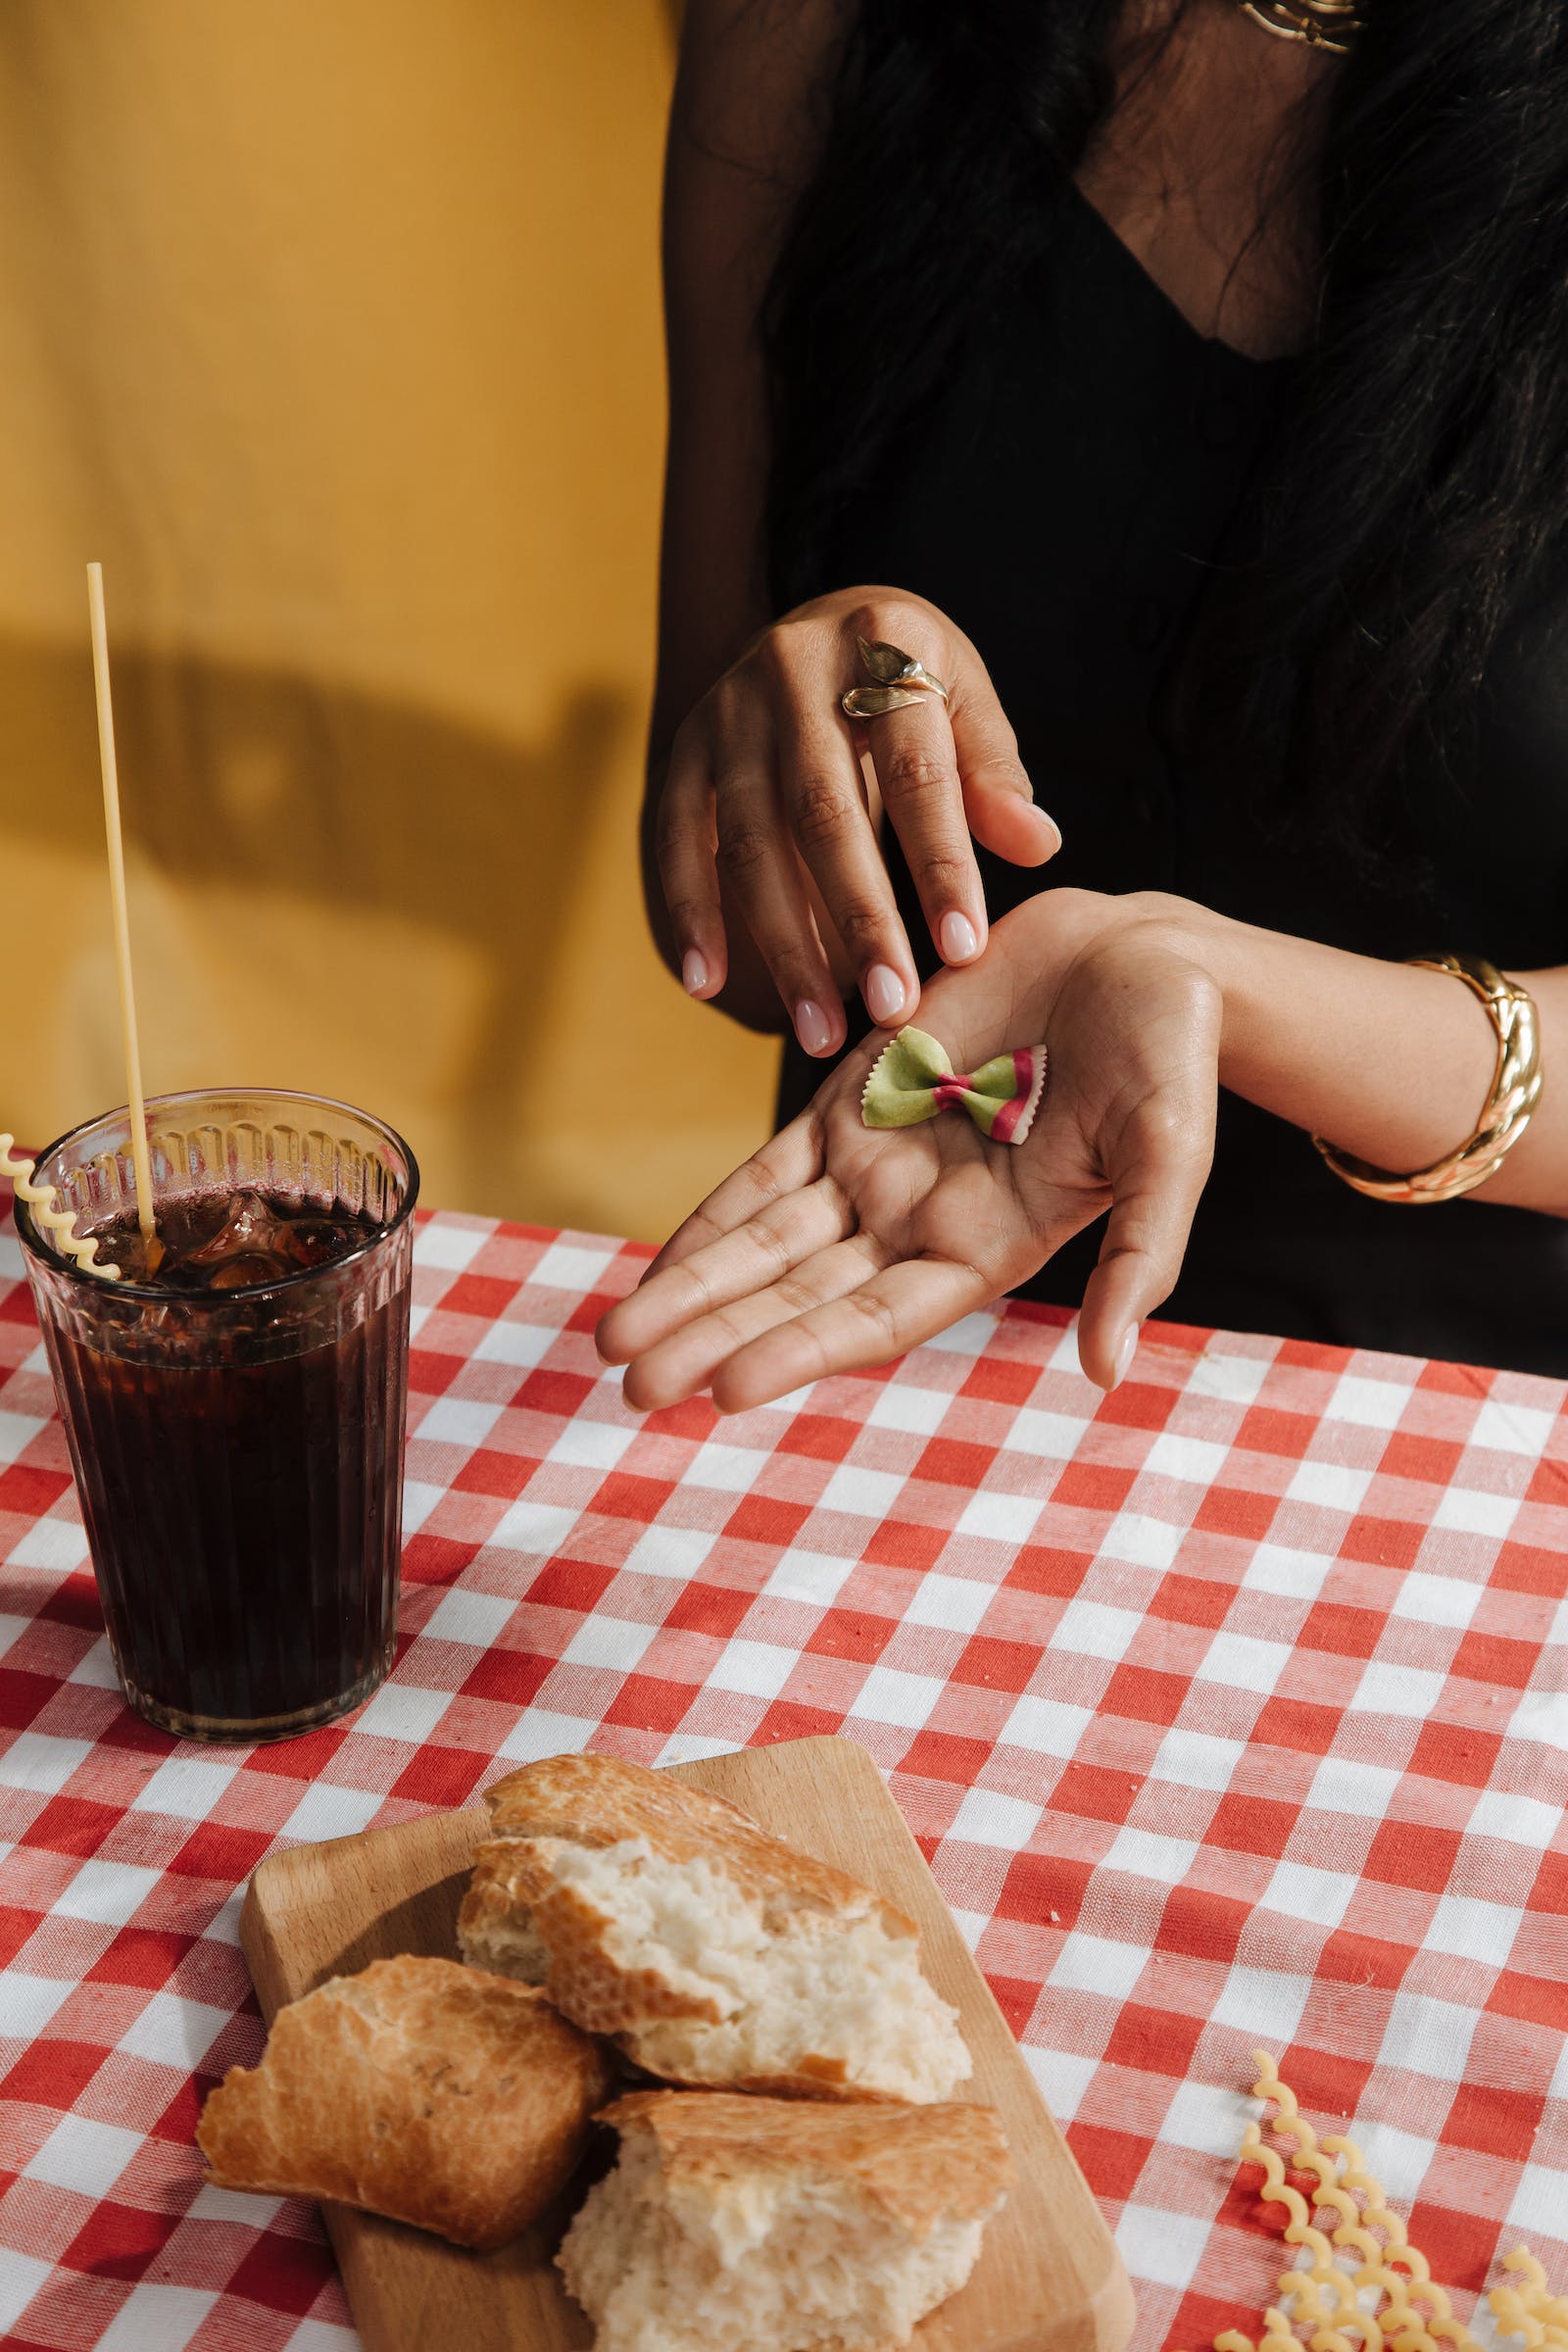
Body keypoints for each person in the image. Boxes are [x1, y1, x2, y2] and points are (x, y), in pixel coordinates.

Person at [601, 0, 1568, 1412]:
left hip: (1465, 1419)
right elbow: (740, 967)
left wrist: (1216, 987)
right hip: (896, 1330)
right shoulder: (809, 30)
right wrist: (800, 728)